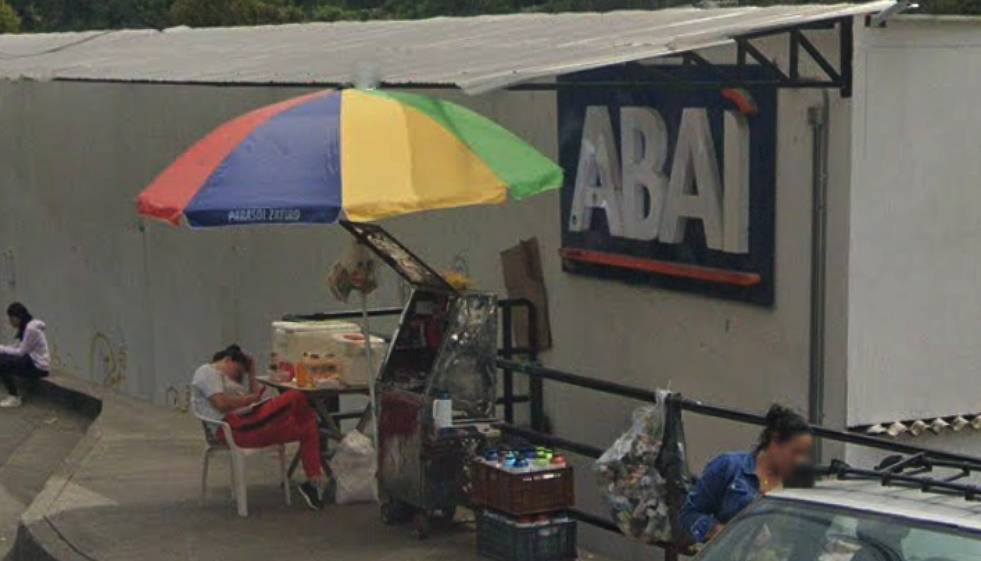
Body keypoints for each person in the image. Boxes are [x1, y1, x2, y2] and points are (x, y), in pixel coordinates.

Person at [191, 344, 328, 510]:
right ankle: (308, 414)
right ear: (227, 360)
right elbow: (221, 404)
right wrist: (249, 400)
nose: (238, 375)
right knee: (295, 396)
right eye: (237, 370)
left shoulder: (227, 381)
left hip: (249, 423)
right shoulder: (207, 372)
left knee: (308, 425)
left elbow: (255, 398)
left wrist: (252, 372)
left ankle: (313, 482)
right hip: (233, 429)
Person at [680, 404, 814, 544]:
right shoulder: (729, 466)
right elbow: (689, 515)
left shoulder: (794, 487)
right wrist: (723, 532)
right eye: (795, 452)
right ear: (776, 440)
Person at [0, 303, 51, 409]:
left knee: (2, 362)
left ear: (17, 317)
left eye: (11, 318)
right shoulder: (27, 327)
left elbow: (20, 352)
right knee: (3, 357)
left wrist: (2, 349)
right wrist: (3, 349)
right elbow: (16, 347)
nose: (10, 321)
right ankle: (13, 396)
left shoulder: (30, 329)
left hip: (39, 367)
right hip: (31, 360)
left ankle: (14, 397)